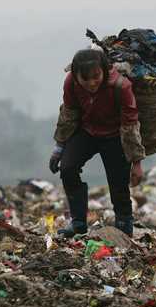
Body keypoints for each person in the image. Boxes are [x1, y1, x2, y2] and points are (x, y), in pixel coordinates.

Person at [49, 48, 146, 238]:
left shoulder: (120, 86)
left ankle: (124, 226)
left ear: (103, 70)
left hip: (115, 135)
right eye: (85, 79)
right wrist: (59, 148)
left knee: (118, 181)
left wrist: (136, 163)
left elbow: (130, 125)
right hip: (86, 131)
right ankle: (77, 223)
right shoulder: (71, 83)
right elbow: (68, 114)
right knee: (68, 169)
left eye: (96, 77)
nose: (91, 83)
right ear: (76, 77)